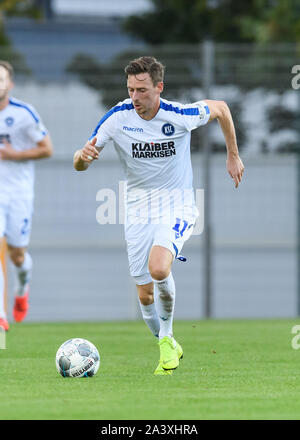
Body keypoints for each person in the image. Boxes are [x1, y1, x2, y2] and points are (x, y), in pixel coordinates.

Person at [73, 56, 244, 375]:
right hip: (137, 211)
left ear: (158, 87)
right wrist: (83, 158)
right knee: (144, 291)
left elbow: (220, 107)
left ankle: (166, 341)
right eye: (130, 90)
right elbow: (79, 162)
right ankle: (167, 341)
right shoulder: (116, 118)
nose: (135, 97)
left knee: (158, 268)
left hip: (178, 206)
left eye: (141, 90)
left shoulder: (179, 114)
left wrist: (233, 155)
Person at [0, 61, 53, 331]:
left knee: (17, 256)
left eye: (1, 79)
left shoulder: (23, 113)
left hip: (18, 193)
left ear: (10, 84)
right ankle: (0, 314)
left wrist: (14, 155)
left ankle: (22, 290)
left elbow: (47, 149)